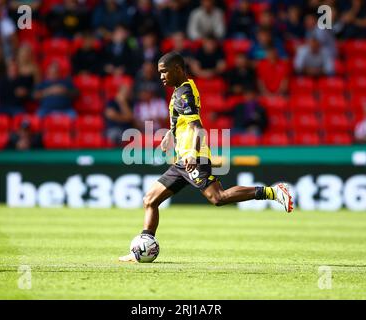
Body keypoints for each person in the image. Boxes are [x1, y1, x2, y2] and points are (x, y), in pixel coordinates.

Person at [119, 52, 293, 262]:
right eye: (159, 72)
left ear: (177, 69)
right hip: (183, 158)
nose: (161, 76)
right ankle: (141, 247)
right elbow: (183, 121)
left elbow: (198, 129)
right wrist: (170, 134)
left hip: (193, 157)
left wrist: (192, 153)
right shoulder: (180, 90)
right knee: (150, 200)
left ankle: (274, 192)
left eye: (164, 72)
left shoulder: (185, 94)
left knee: (218, 198)